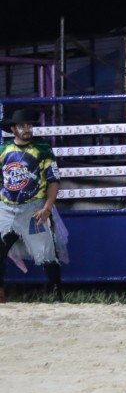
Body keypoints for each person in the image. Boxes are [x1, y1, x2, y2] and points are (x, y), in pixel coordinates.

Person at [0, 109, 63, 303]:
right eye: (22, 126)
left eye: (29, 125)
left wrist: (47, 208)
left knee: (46, 254)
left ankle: (57, 294)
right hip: (6, 208)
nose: (27, 129)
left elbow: (54, 180)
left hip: (33, 209)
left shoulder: (43, 149)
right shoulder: (3, 150)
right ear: (13, 129)